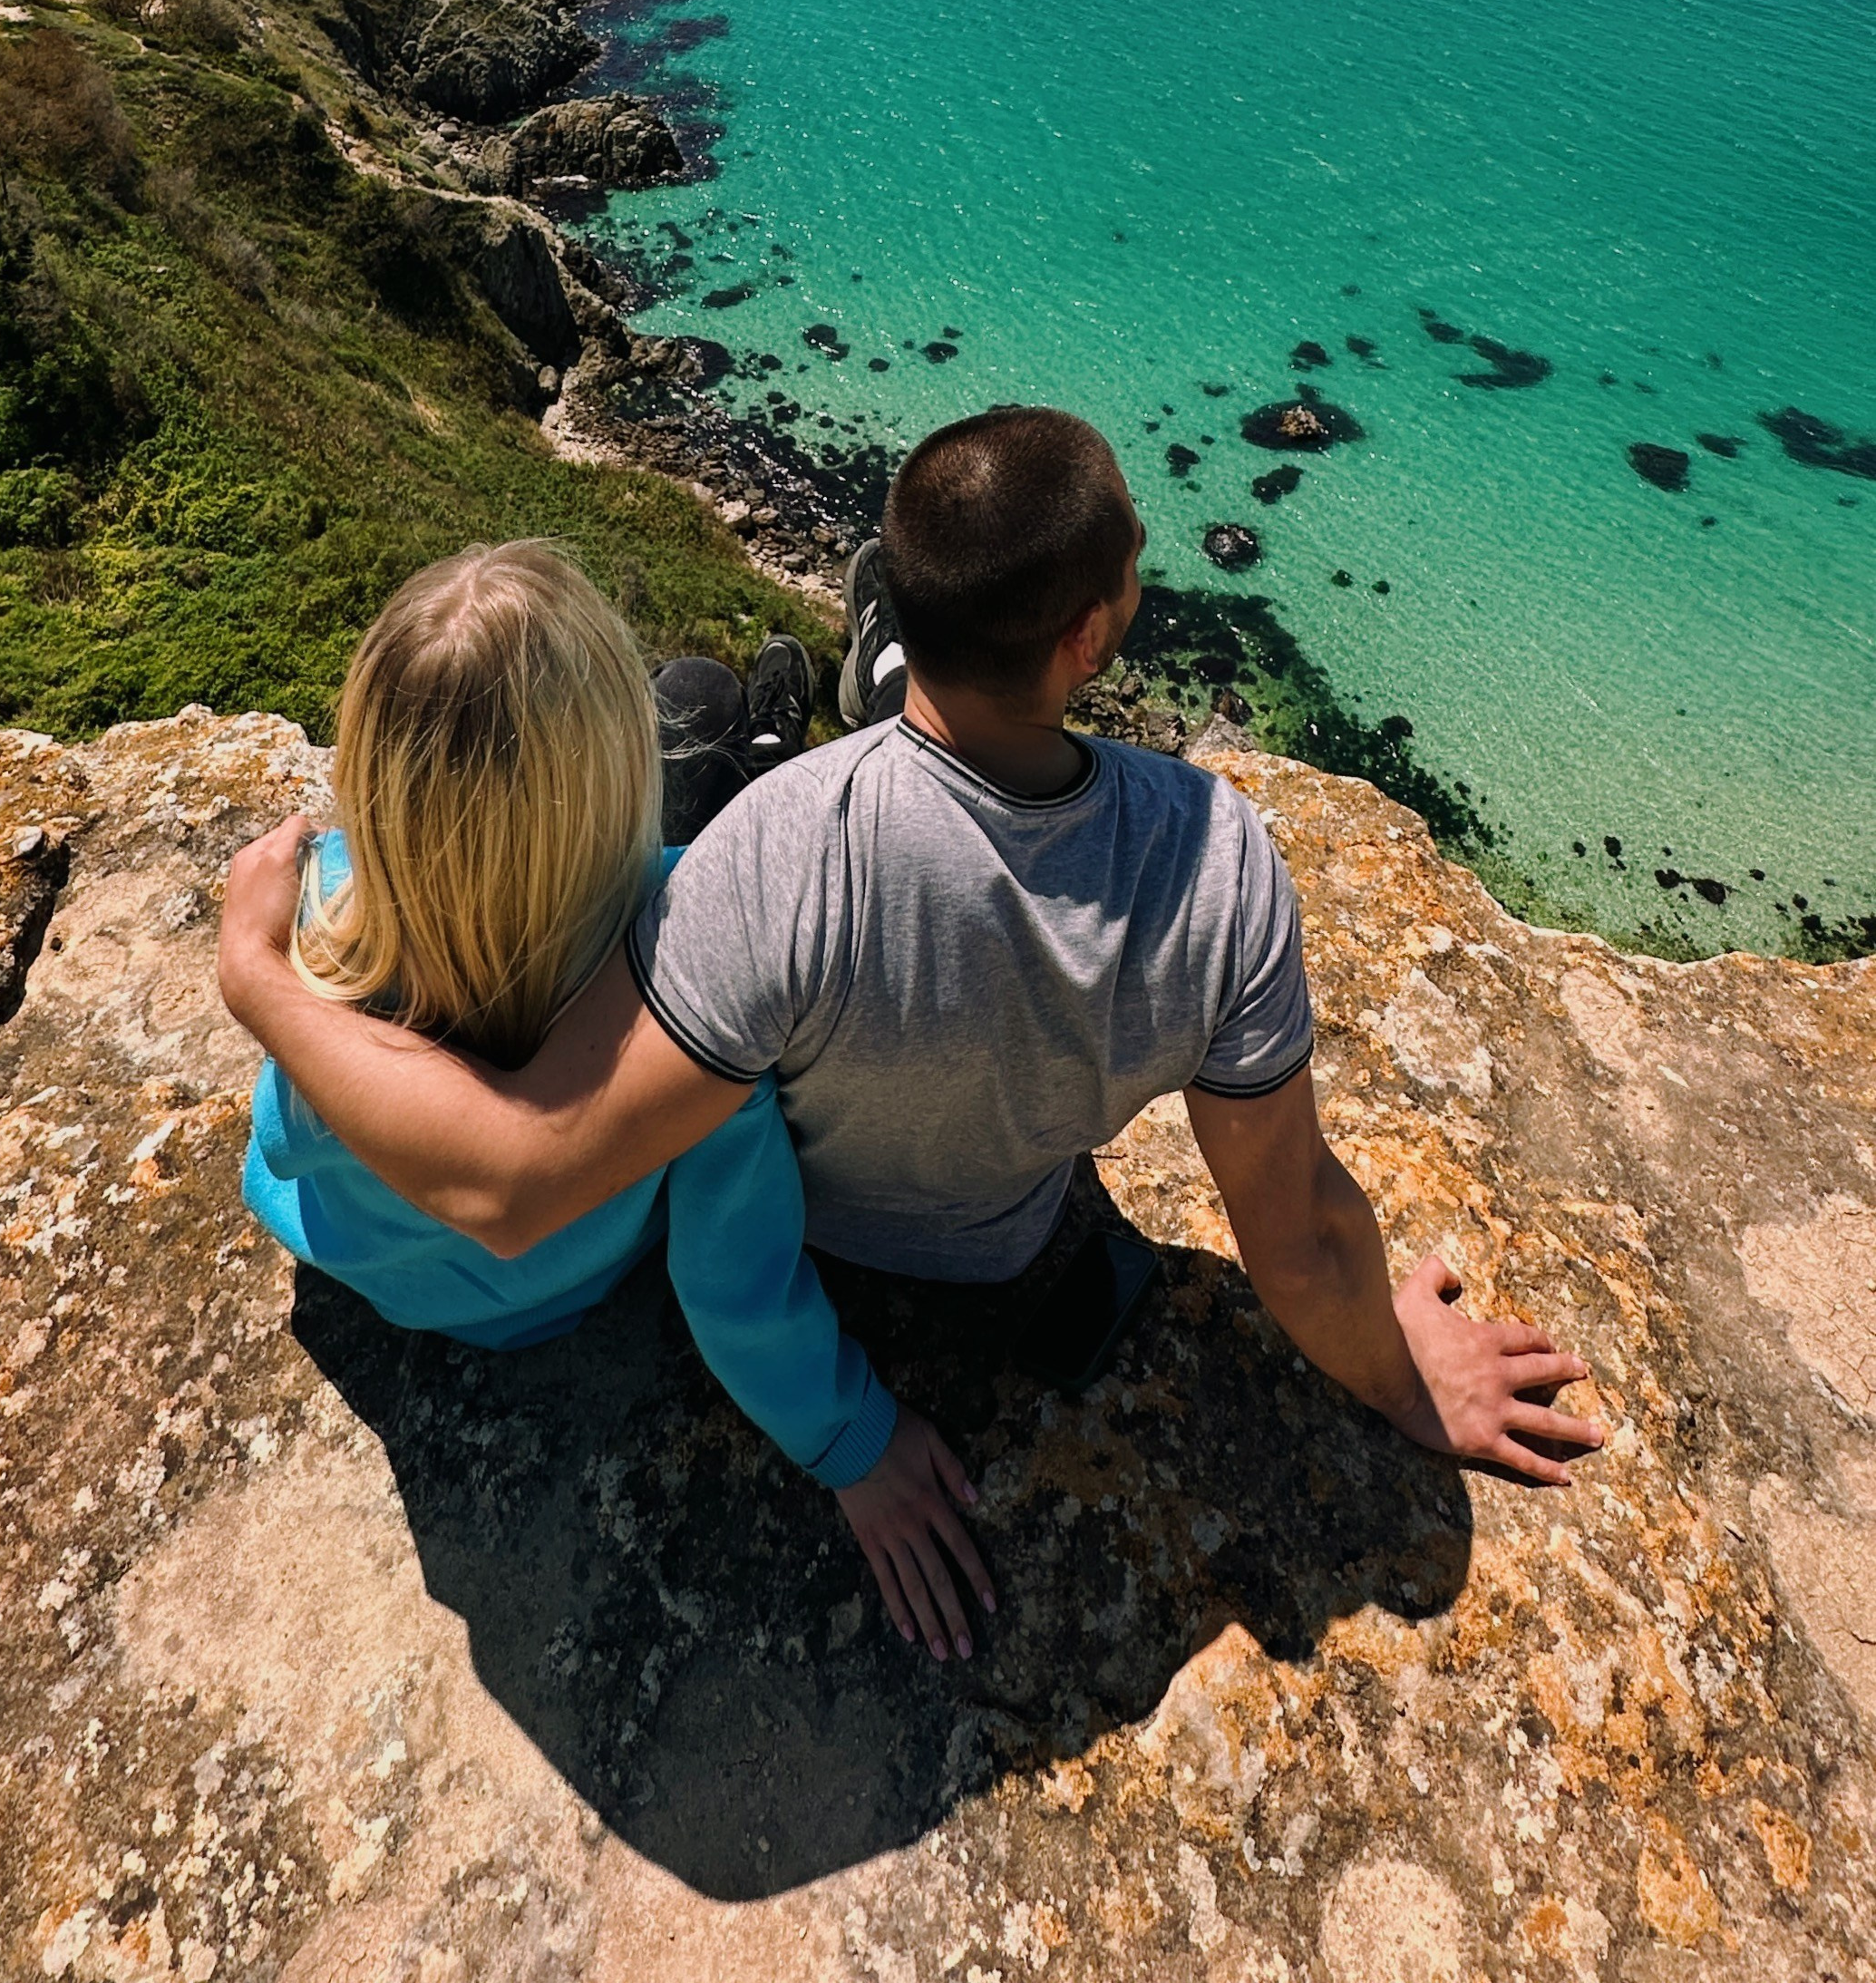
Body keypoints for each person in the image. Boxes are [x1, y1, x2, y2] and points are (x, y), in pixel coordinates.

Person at [222, 410, 1602, 1662]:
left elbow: (512, 1159)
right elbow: (1295, 1229)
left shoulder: (757, 863)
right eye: (1126, 561)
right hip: (1003, 1244)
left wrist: (264, 974)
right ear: (1094, 633)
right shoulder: (1220, 864)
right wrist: (1394, 1369)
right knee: (730, 747)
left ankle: (884, 691)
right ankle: (887, 690)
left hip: (743, 1164)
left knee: (723, 738)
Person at [237, 539, 986, 1586]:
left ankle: (755, 740)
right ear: (619, 762)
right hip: (564, 1294)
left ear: (369, 774)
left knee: (701, 704)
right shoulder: (681, 1001)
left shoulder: (319, 948)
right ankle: (781, 739)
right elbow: (735, 1281)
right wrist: (851, 1441)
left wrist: (260, 956)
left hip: (391, 1284)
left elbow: (281, 1132)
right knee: (707, 718)